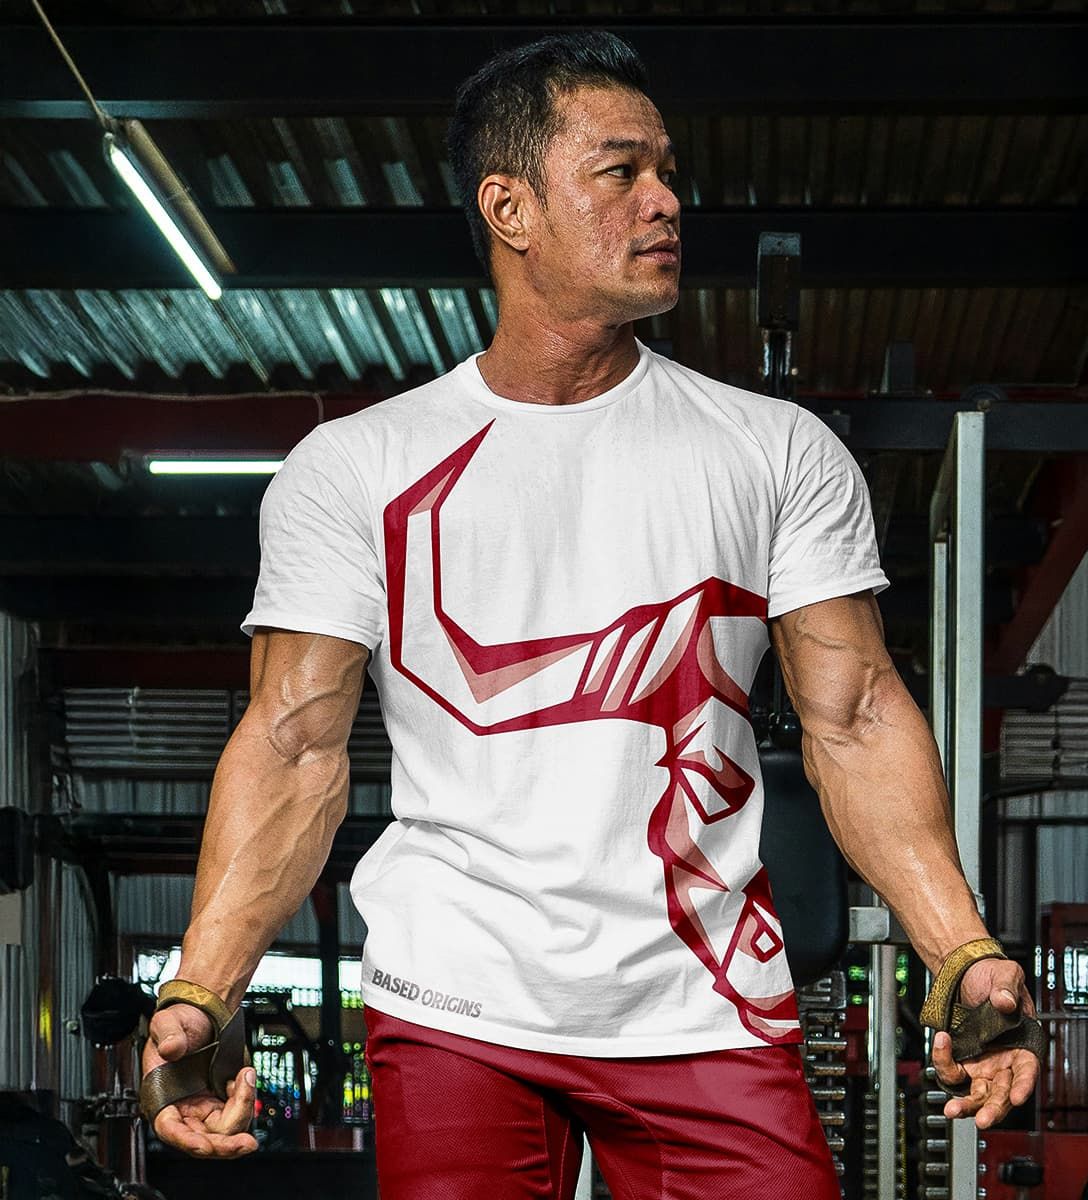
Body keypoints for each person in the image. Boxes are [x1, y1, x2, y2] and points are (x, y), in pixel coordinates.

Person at [141, 32, 1040, 1198]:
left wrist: (961, 949)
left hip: (704, 999)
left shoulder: (772, 450)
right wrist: (200, 989)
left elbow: (857, 716)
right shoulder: (357, 465)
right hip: (459, 999)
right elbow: (293, 740)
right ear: (509, 208)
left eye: (670, 172)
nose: (666, 201)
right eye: (622, 172)